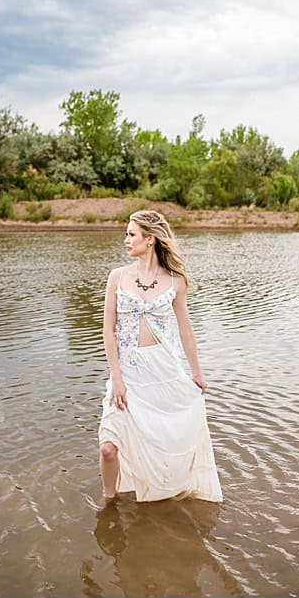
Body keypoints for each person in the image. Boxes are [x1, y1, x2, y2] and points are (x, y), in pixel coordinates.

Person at [98, 210, 222, 503]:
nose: (126, 239)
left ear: (149, 239)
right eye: (127, 233)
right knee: (107, 447)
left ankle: (165, 490)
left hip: (162, 371)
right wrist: (116, 377)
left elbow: (185, 329)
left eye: (131, 234)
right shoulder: (117, 277)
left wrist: (197, 373)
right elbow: (107, 328)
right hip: (126, 373)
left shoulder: (175, 281)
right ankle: (108, 499)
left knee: (165, 440)